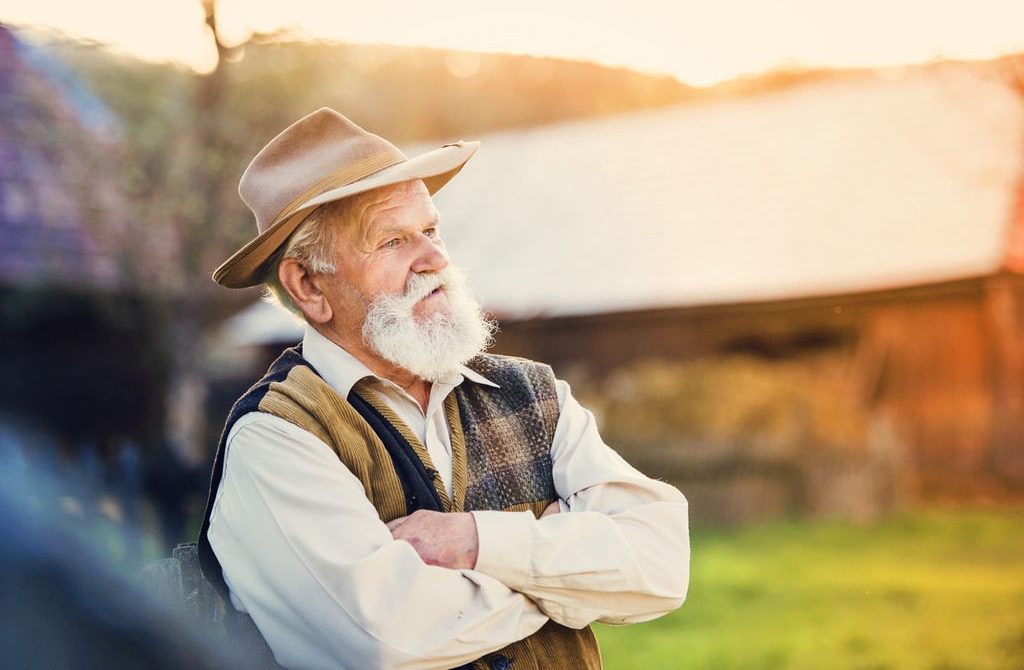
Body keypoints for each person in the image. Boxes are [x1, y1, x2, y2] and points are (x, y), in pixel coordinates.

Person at [198, 107, 690, 670]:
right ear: (308, 285)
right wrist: (569, 575)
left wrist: (480, 542)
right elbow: (386, 641)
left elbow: (663, 565)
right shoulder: (275, 437)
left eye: (431, 230)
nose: (435, 258)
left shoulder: (532, 393)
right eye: (393, 241)